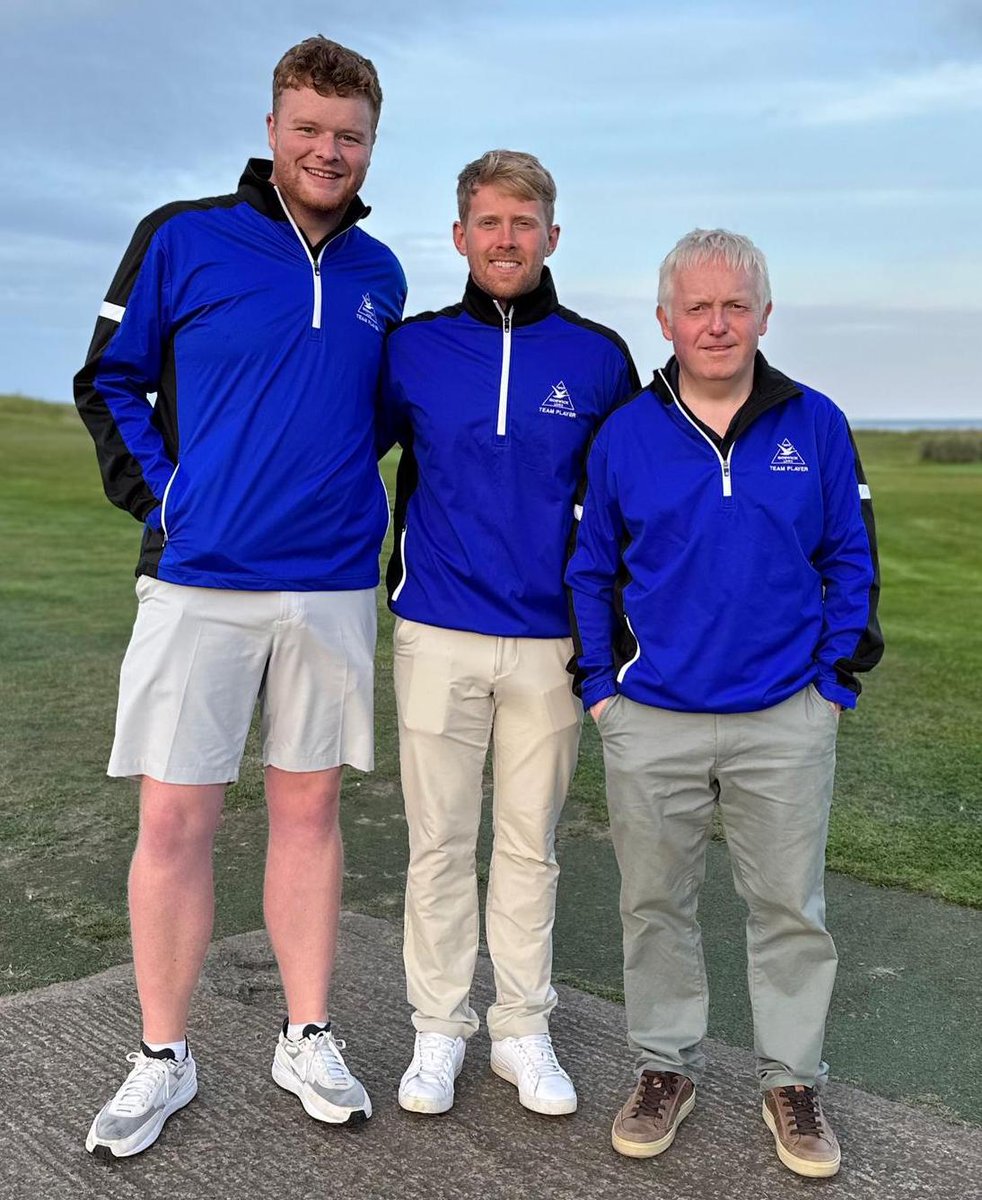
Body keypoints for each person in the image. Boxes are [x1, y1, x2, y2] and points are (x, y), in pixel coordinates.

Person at [73, 35, 406, 1158]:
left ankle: (305, 1031)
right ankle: (163, 1054)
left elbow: (373, 422)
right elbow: (107, 378)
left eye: (348, 136)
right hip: (201, 581)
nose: (327, 151)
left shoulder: (381, 276)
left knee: (309, 811)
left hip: (329, 588)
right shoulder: (182, 237)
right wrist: (173, 504)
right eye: (308, 129)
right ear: (272, 131)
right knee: (176, 817)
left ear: (370, 144)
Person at [566, 229, 882, 1177]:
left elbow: (850, 560)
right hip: (651, 714)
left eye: (733, 306)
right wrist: (599, 689)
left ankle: (791, 1079)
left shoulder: (815, 424)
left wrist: (830, 686)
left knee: (788, 906)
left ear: (763, 316)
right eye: (696, 307)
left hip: (785, 715)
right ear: (665, 320)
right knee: (654, 902)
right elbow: (591, 568)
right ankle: (667, 1065)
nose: (716, 323)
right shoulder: (626, 431)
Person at [379, 151, 639, 1117]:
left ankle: (520, 1030)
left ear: (551, 237)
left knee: (530, 846)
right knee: (439, 843)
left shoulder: (598, 357)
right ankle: (438, 1031)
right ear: (460, 235)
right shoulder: (411, 350)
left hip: (550, 643)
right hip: (436, 629)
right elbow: (339, 454)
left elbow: (629, 499)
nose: (505, 239)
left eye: (523, 223)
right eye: (487, 222)